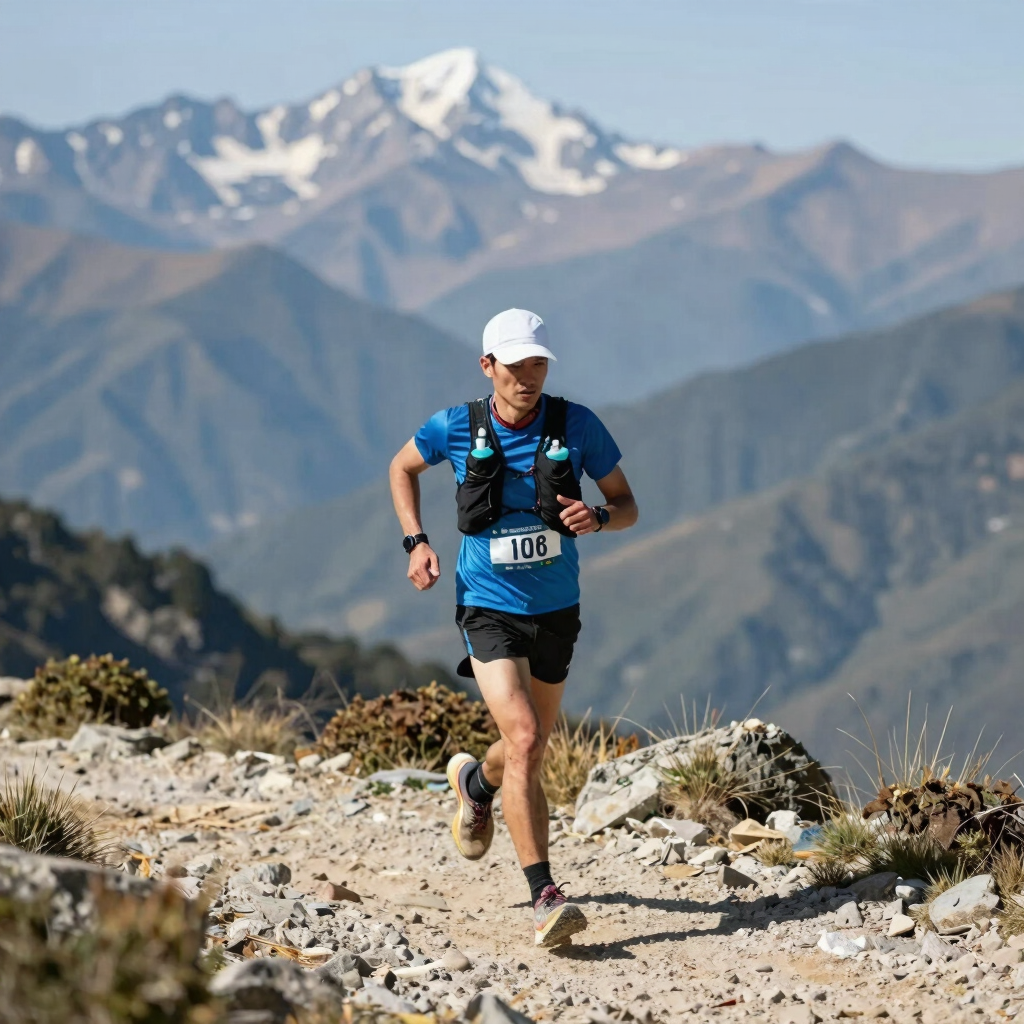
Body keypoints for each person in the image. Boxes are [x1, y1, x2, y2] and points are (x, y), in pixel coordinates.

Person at [389, 308, 638, 947]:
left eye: (538, 364)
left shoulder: (577, 425)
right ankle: (545, 896)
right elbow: (401, 468)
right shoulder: (455, 426)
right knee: (525, 735)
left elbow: (629, 505)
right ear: (488, 365)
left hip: (556, 609)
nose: (527, 377)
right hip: (486, 607)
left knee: (531, 743)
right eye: (515, 364)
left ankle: (475, 783)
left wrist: (600, 517)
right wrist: (416, 541)